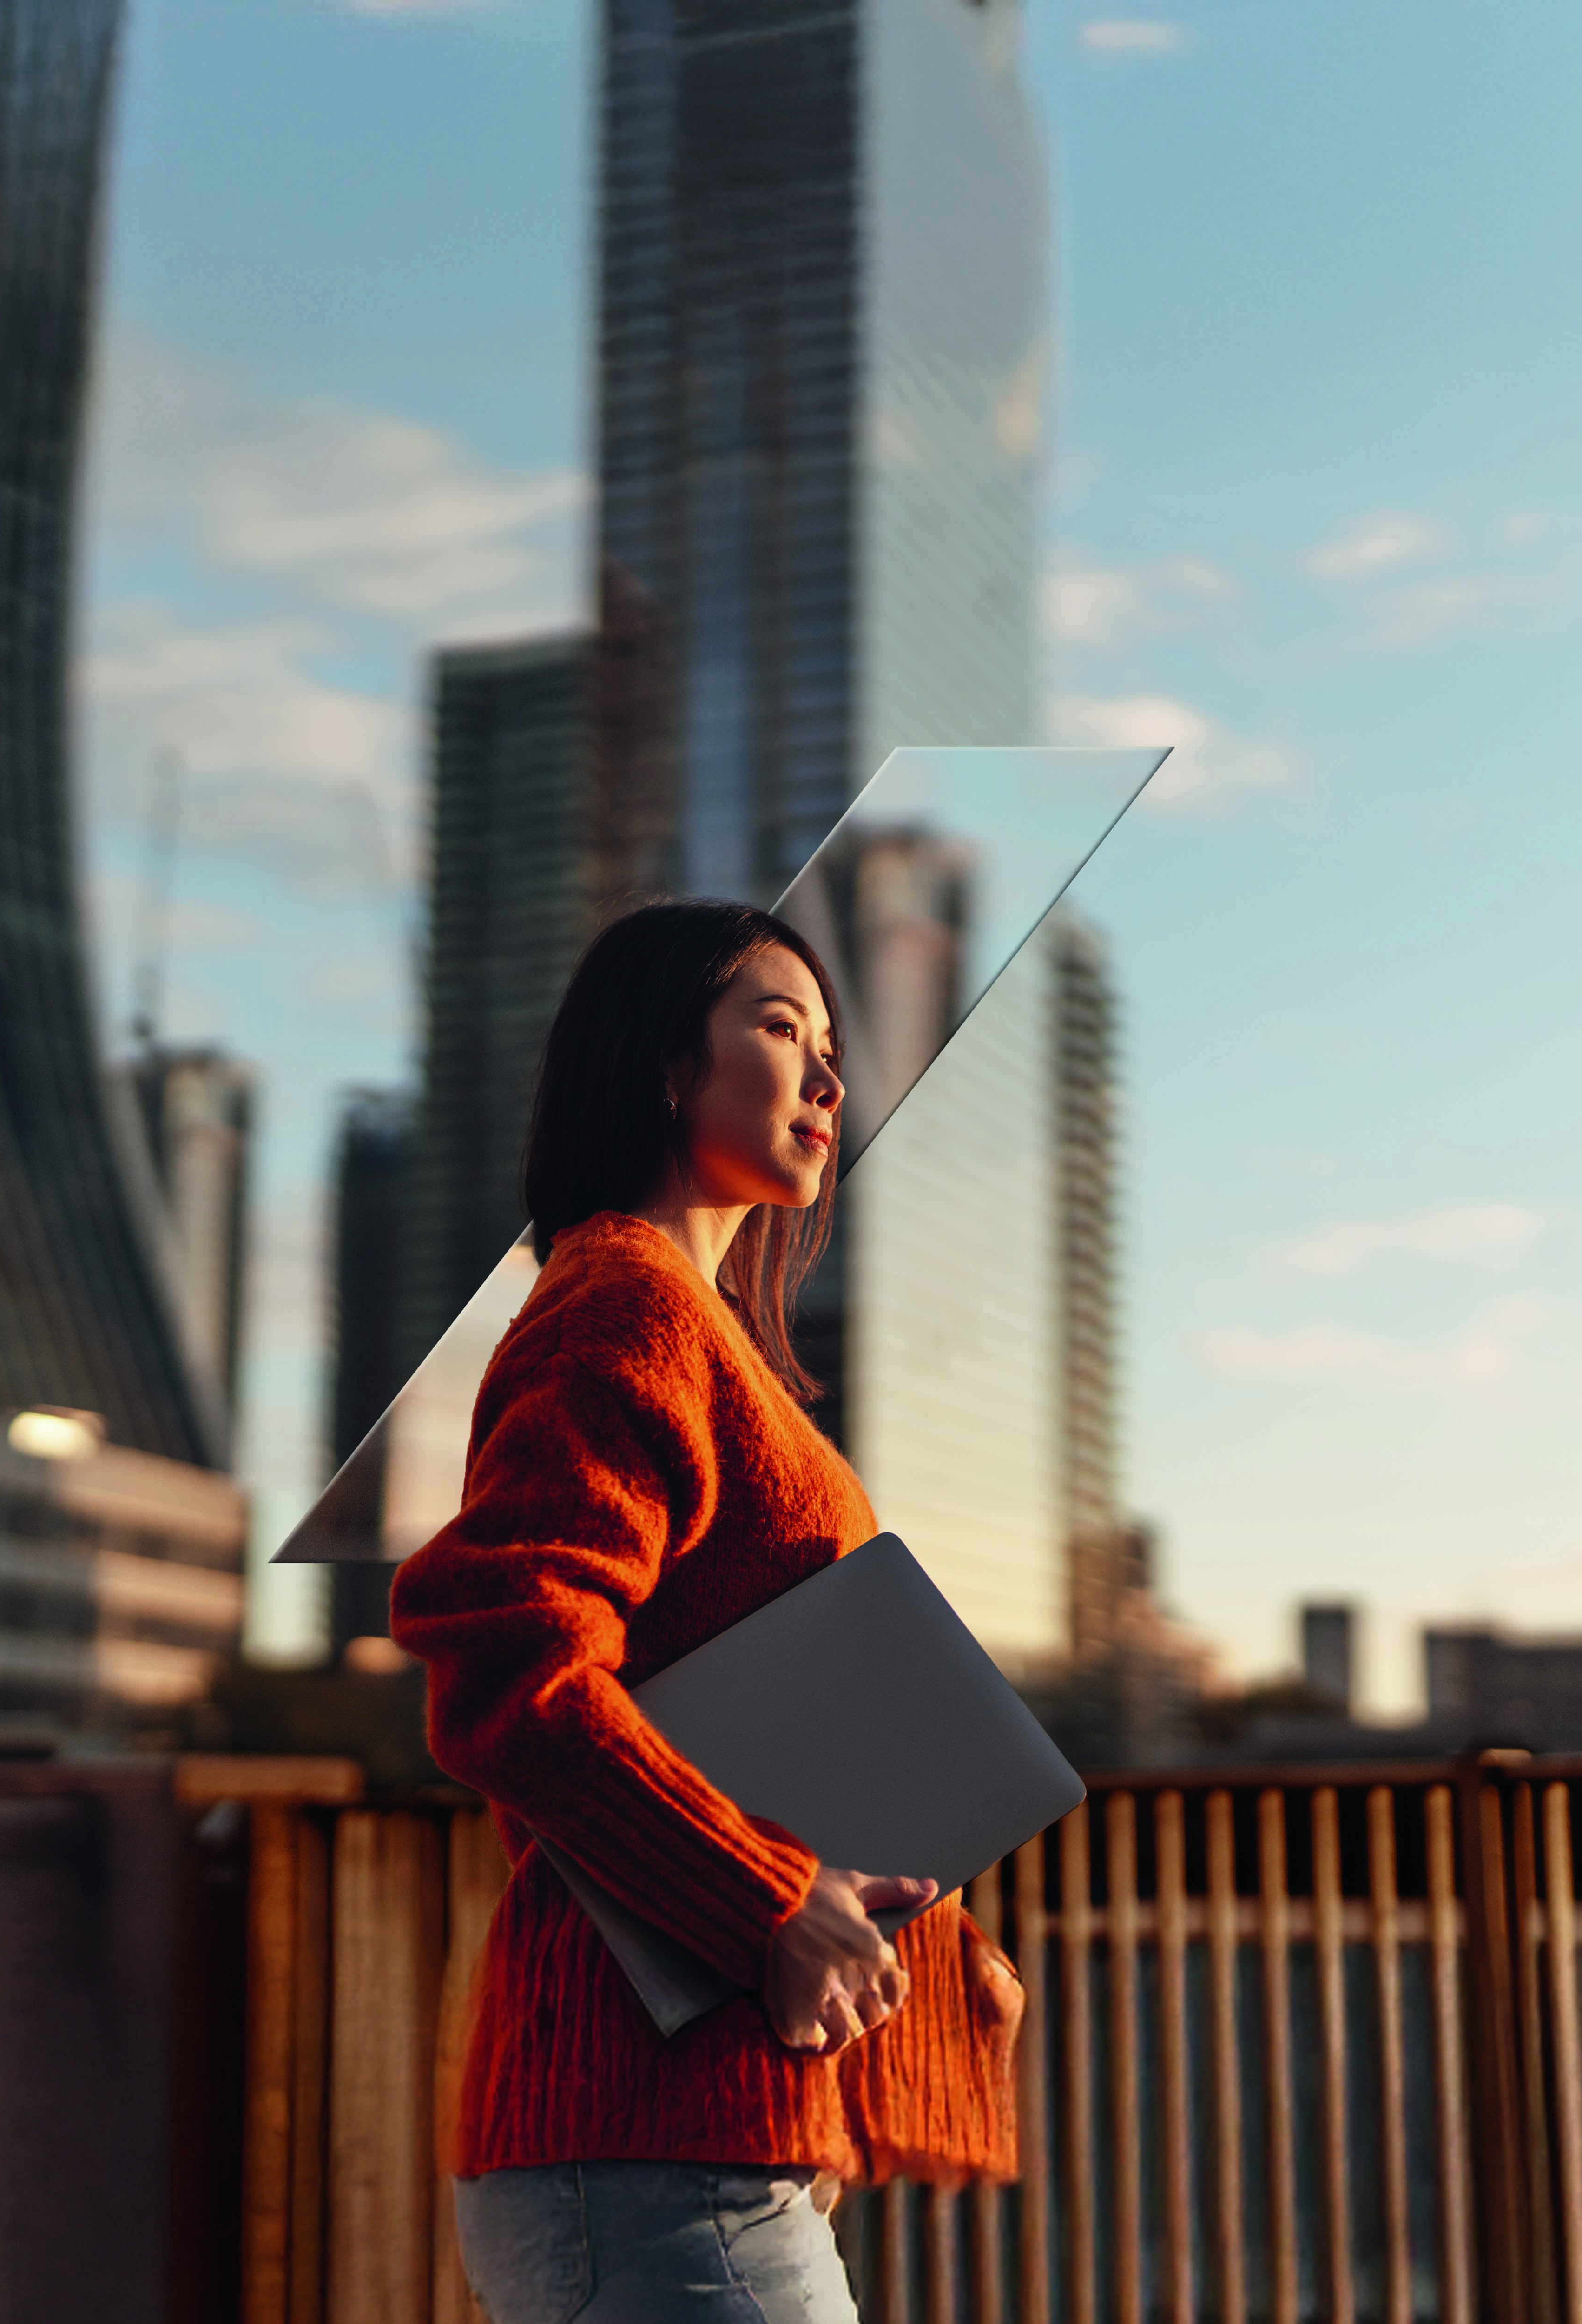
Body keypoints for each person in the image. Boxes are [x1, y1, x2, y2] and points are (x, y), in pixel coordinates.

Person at [391, 898, 1026, 2324]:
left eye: (831, 1044)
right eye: (781, 1027)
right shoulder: (623, 1302)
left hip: (712, 2129)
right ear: (670, 1066)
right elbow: (510, 1661)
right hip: (644, 2141)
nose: (826, 1079)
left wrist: (901, 1938)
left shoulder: (698, 1331)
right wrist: (767, 1901)